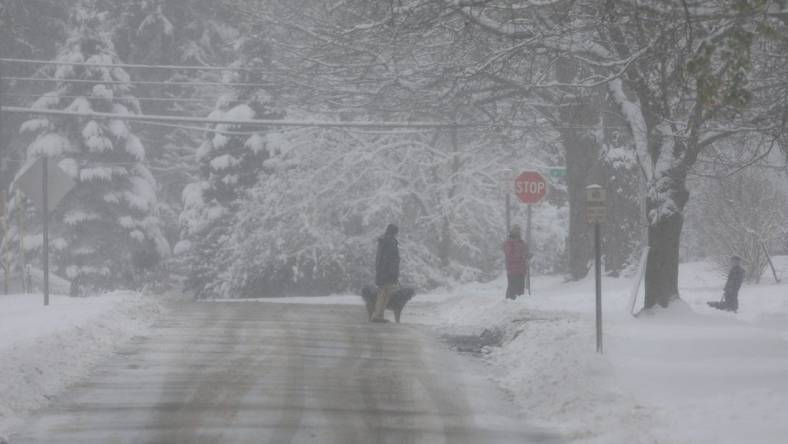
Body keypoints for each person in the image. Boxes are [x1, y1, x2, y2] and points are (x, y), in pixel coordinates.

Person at [371, 223, 400, 322]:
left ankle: (379, 315)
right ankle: (377, 316)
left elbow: (380, 258)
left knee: (382, 294)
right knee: (385, 295)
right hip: (387, 273)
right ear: (394, 232)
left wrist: (380, 271)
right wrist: (392, 273)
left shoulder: (383, 241)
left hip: (382, 272)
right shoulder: (390, 242)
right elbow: (391, 259)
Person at [503, 225, 528, 300]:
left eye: (519, 230)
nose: (518, 232)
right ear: (512, 231)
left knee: (520, 290)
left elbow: (525, 251)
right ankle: (509, 304)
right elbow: (510, 255)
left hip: (521, 270)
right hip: (512, 270)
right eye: (516, 230)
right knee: (512, 290)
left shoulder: (522, 242)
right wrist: (522, 255)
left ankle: (519, 305)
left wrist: (527, 255)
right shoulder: (508, 243)